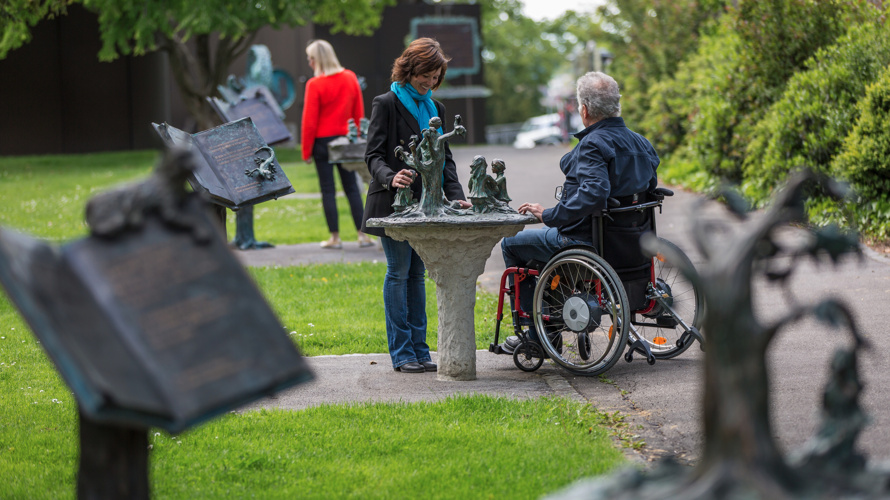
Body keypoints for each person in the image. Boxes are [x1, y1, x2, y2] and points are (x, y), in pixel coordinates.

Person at [500, 71, 659, 347]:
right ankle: (552, 313)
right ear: (616, 106)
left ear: (584, 109)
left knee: (511, 244)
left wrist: (548, 214)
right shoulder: (641, 142)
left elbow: (594, 193)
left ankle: (537, 337)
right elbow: (648, 188)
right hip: (634, 245)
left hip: (590, 243)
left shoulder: (593, 145)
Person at [361, 38, 470, 373]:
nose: (430, 82)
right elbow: (373, 155)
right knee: (399, 273)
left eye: (436, 76)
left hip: (428, 206)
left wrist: (457, 195)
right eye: (426, 74)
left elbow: (445, 160)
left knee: (418, 273)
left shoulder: (436, 109)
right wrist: (390, 177)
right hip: (391, 204)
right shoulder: (386, 103)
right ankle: (402, 353)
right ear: (409, 69)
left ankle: (421, 351)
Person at [301, 39, 373, 249]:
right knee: (352, 188)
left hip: (322, 143)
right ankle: (363, 235)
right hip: (345, 142)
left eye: (310, 58)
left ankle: (335, 237)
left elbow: (309, 122)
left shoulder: (314, 84)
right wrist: (357, 139)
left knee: (327, 190)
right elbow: (359, 113)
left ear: (316, 60)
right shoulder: (350, 78)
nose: (309, 62)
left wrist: (306, 151)